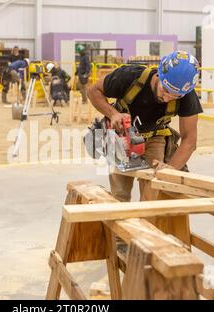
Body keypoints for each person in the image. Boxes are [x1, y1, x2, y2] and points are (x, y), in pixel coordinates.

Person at [87, 50, 202, 202]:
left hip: (155, 137)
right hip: (122, 137)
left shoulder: (187, 95)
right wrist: (113, 114)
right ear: (160, 75)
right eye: (165, 90)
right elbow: (93, 91)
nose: (167, 98)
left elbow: (189, 140)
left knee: (153, 192)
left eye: (175, 95)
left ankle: (146, 222)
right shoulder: (130, 76)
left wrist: (171, 168)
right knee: (120, 193)